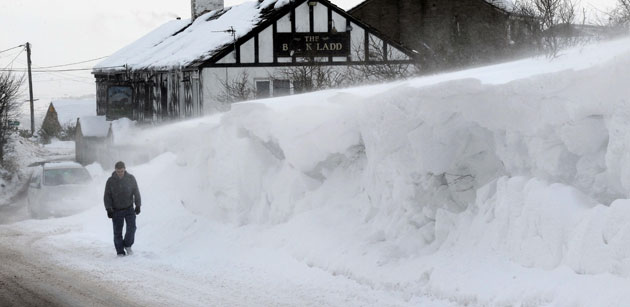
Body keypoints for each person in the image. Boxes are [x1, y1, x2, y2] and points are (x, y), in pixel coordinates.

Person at [104, 161, 141, 257]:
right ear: (115, 170)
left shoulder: (131, 179)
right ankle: (120, 251)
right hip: (116, 210)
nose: (120, 173)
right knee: (117, 232)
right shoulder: (110, 181)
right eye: (118, 171)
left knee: (132, 228)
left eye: (121, 171)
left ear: (124, 169)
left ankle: (128, 245)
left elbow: (136, 192)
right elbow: (107, 196)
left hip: (129, 208)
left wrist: (138, 205)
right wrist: (108, 209)